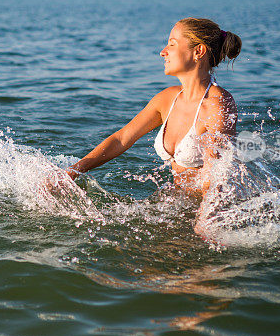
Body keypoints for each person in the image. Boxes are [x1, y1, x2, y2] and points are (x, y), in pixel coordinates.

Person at [61, 18, 241, 232]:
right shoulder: (167, 99)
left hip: (207, 213)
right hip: (174, 205)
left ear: (198, 51)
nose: (163, 52)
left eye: (172, 44)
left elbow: (217, 173)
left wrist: (205, 222)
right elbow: (121, 139)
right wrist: (72, 172)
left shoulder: (218, 103)